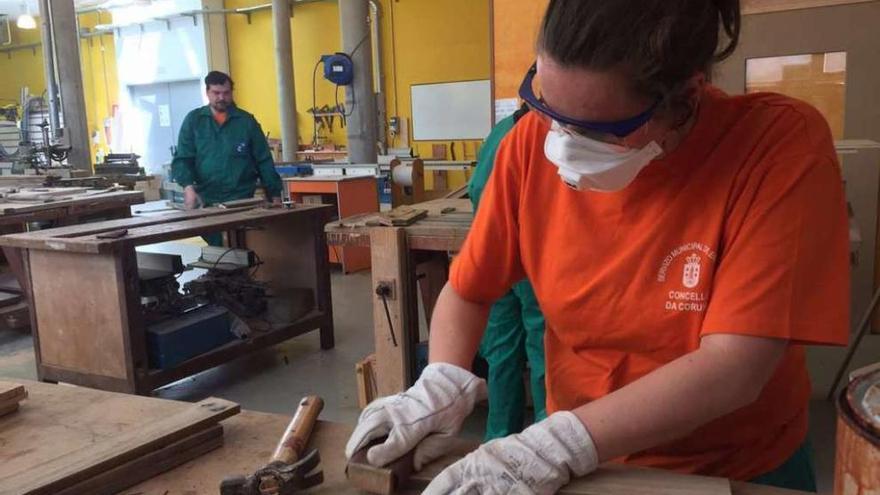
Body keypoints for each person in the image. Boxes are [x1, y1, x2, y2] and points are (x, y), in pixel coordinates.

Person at [345, 1, 850, 494]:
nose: (560, 141)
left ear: (686, 97)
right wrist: (441, 381)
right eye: (546, 107)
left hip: (730, 468)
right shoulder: (525, 148)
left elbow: (735, 367)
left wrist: (556, 445)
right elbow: (470, 289)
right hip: (579, 467)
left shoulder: (774, 145)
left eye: (596, 130)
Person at [470, 104, 548, 441]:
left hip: (493, 257)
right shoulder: (543, 136)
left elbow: (475, 190)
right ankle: (546, 435)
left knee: (501, 352)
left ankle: (498, 438)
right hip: (531, 258)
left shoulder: (500, 130)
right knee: (544, 347)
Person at [171, 71, 282, 212]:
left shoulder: (246, 122)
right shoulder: (194, 121)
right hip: (206, 202)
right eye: (216, 93)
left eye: (226, 93)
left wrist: (275, 194)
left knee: (242, 234)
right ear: (207, 92)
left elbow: (264, 160)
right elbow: (183, 159)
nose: (222, 97)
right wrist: (188, 187)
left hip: (242, 201)